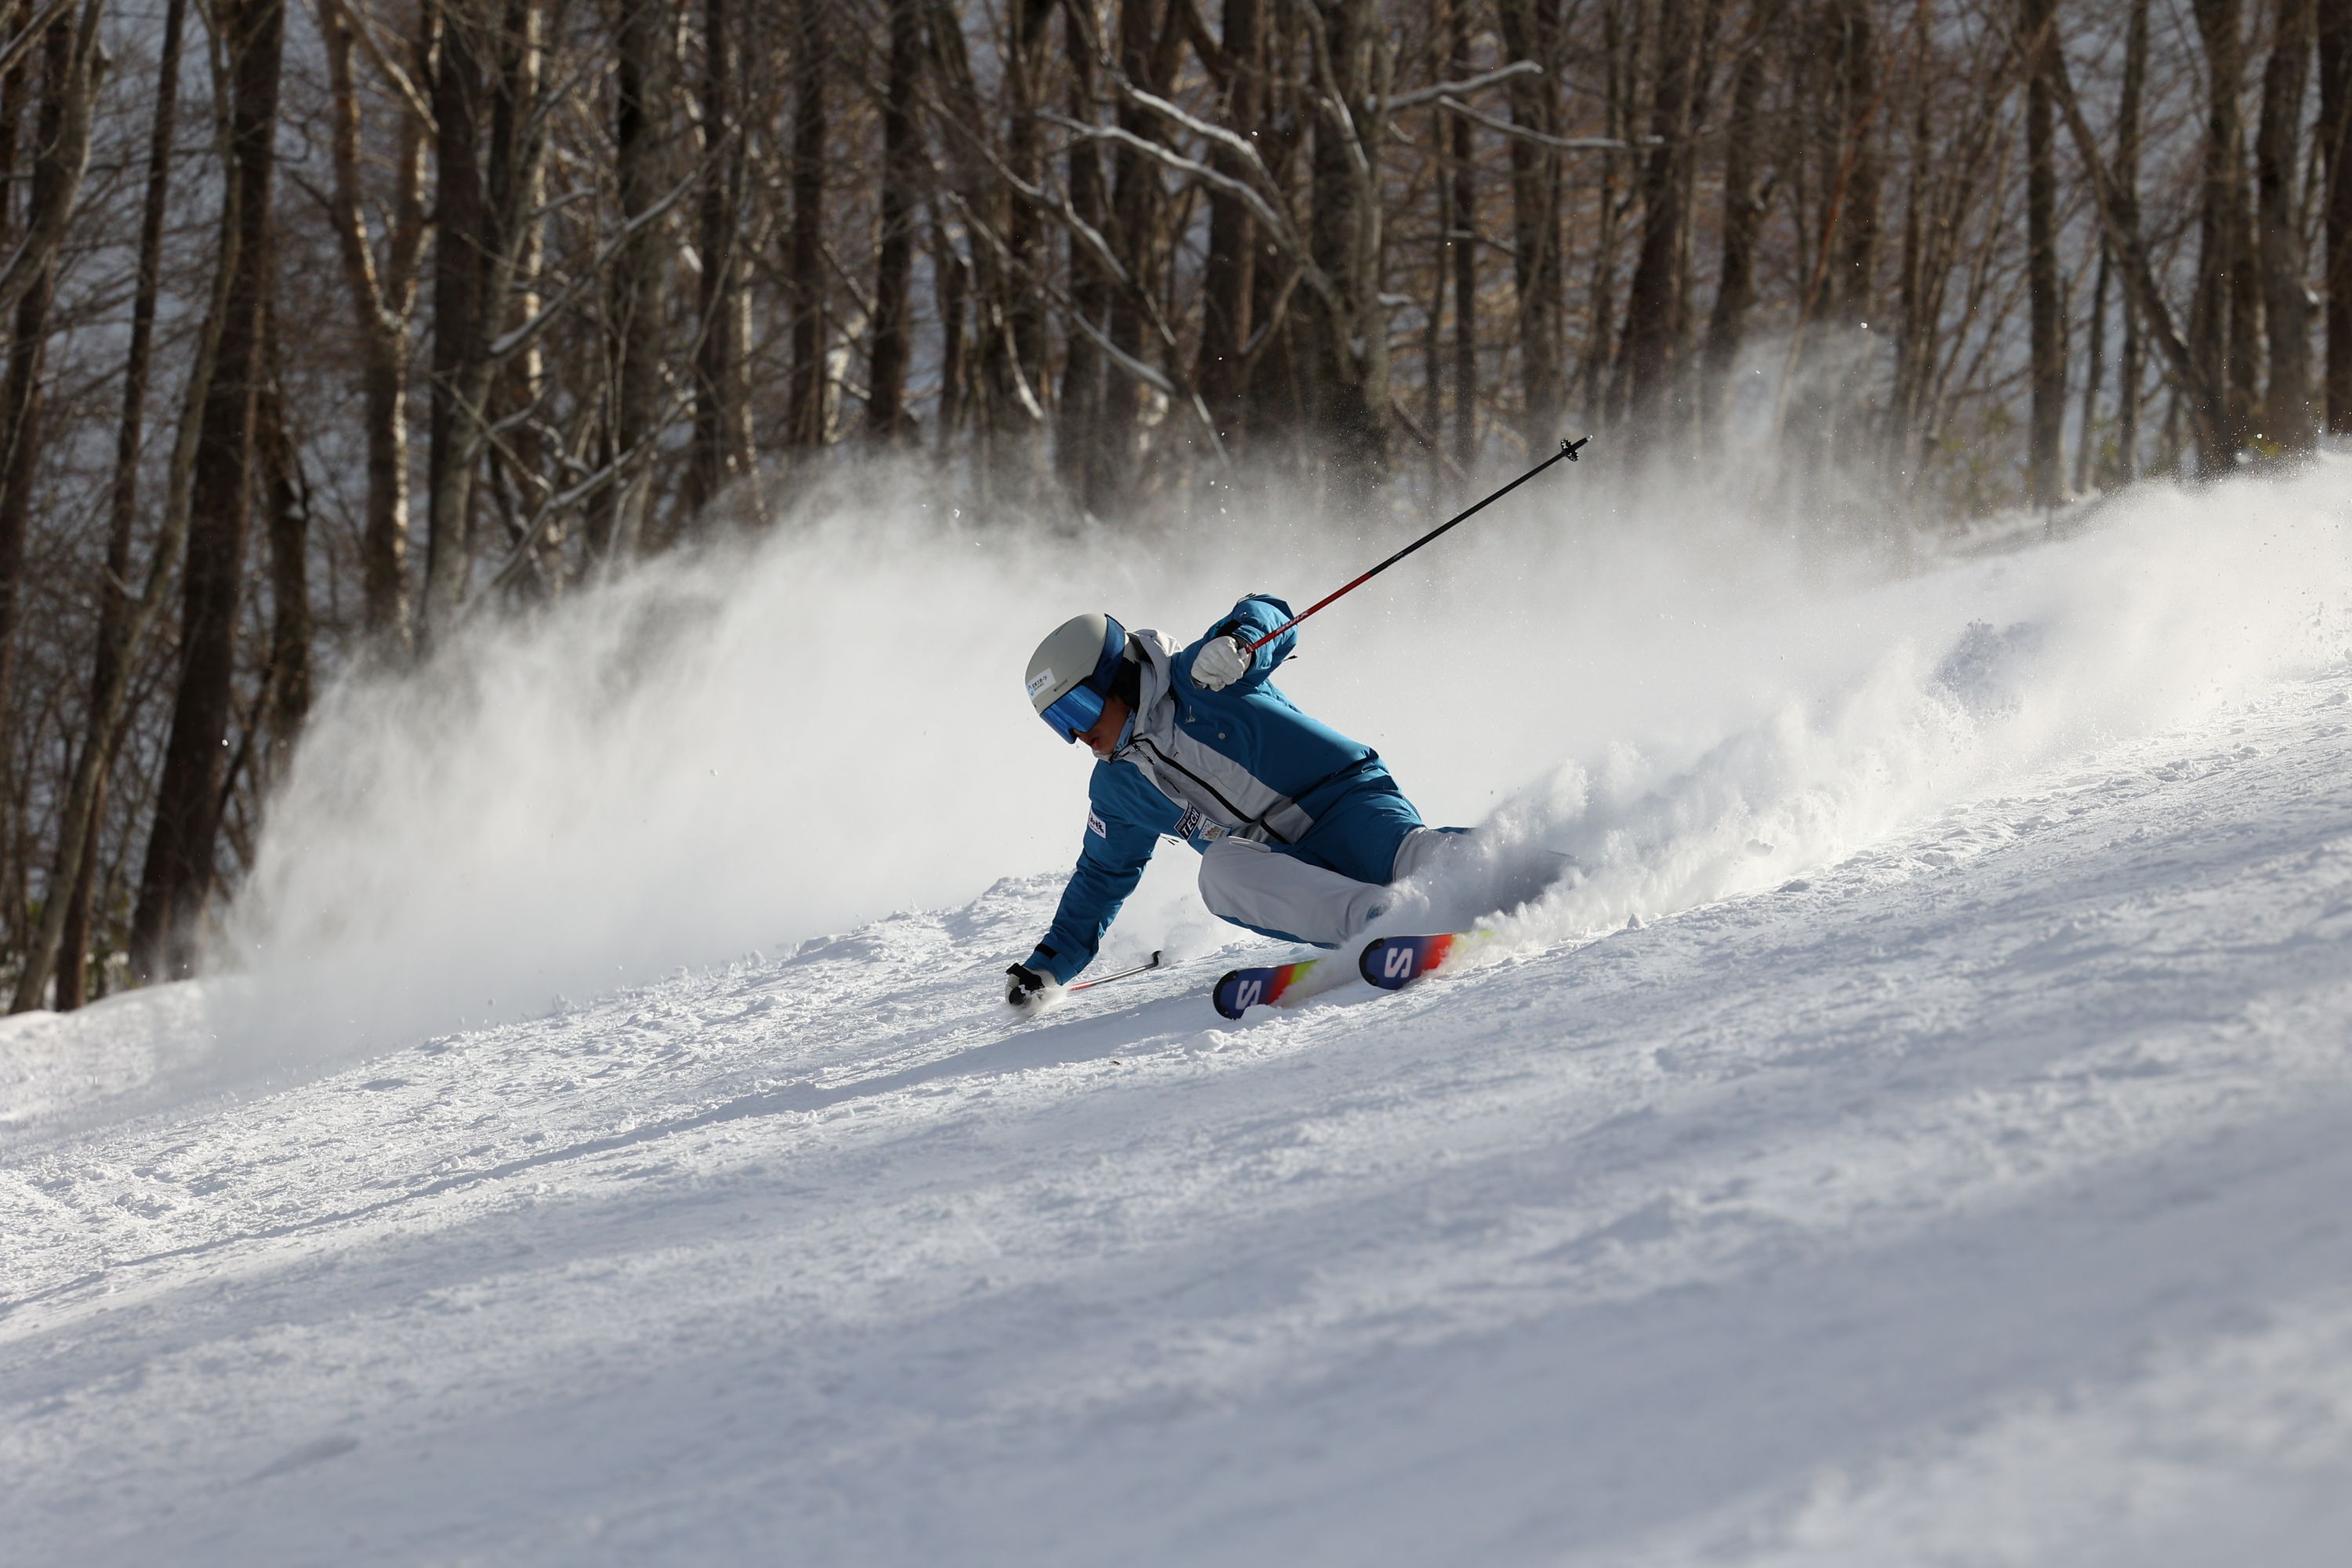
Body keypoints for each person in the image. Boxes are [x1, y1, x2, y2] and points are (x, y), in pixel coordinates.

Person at [1006, 596, 1465, 1010]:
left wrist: (1241, 642)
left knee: (1420, 860)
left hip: (1345, 805)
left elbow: (1272, 614)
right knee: (1220, 872)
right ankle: (1379, 923)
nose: (1079, 735)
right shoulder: (1117, 787)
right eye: (1060, 723)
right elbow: (1102, 876)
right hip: (1282, 863)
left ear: (1117, 678)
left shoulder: (1200, 677)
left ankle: (1515, 866)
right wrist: (1049, 966)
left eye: (1080, 709)